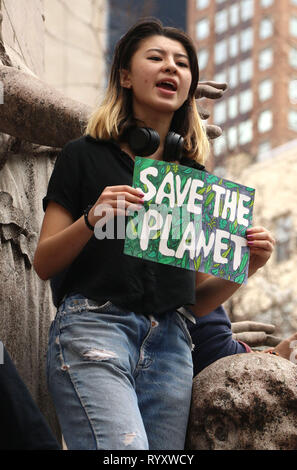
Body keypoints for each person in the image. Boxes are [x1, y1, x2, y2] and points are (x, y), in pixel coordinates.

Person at [33, 18, 275, 450]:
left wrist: (248, 267)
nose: (172, 68)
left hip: (172, 350)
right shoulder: (82, 156)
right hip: (96, 330)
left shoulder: (194, 181)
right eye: (157, 57)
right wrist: (92, 218)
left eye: (182, 63)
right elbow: (44, 262)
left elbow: (196, 301)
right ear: (125, 76)